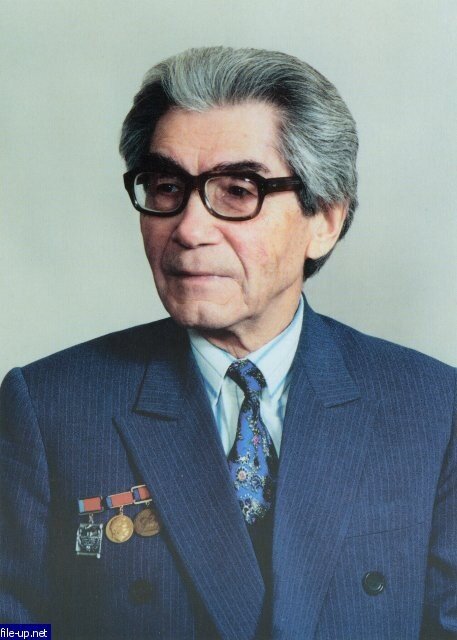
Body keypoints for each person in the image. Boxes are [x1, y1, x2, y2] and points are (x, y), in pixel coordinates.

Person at [0, 46, 456, 640]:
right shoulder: (49, 408)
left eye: (239, 190)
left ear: (325, 220)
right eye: (167, 187)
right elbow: (15, 628)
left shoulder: (433, 408)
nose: (189, 229)